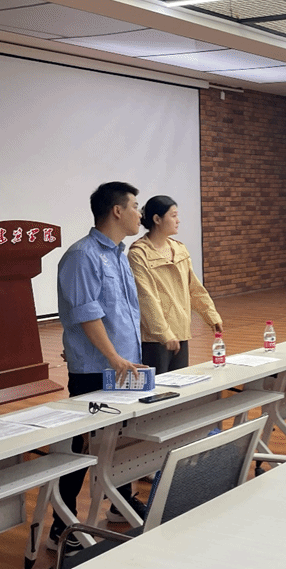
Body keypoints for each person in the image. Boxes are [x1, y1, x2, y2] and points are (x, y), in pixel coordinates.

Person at [51, 182, 149, 552]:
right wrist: (112, 356)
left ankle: (120, 505)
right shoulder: (82, 256)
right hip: (98, 368)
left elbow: (122, 312)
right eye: (135, 206)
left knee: (120, 439)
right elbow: (87, 314)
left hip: (123, 364)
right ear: (117, 211)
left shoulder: (119, 255)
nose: (140, 213)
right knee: (81, 448)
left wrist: (126, 355)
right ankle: (61, 529)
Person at [128, 195, 222, 373]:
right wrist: (164, 333)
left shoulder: (179, 249)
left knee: (180, 382)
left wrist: (211, 315)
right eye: (173, 215)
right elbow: (146, 298)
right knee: (159, 385)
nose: (178, 220)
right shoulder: (139, 254)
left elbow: (194, 288)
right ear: (157, 219)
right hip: (156, 337)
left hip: (180, 331)